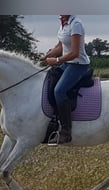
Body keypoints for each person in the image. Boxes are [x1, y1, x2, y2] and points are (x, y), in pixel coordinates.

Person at [40, 15, 90, 145]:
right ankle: (52, 119)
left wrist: (56, 60)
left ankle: (66, 131)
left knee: (59, 91)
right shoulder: (63, 24)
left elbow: (75, 53)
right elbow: (60, 46)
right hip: (67, 63)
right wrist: (47, 55)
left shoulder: (76, 24)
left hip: (78, 64)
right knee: (49, 79)